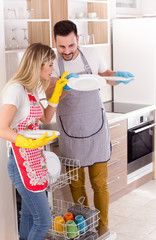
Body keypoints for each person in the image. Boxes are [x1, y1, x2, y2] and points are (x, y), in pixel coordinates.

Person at [45, 20, 134, 237]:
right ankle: (85, 226)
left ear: (77, 39)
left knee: (99, 183)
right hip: (70, 128)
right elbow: (50, 96)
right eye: (62, 47)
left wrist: (117, 78)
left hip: (95, 126)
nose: (67, 51)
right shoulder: (52, 63)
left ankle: (102, 226)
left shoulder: (92, 55)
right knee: (76, 184)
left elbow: (105, 76)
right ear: (55, 42)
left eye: (71, 46)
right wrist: (63, 87)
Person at [0, 43, 69, 240]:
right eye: (49, 65)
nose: (52, 69)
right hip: (20, 162)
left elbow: (46, 118)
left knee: (30, 216)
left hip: (34, 159)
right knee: (44, 221)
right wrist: (26, 141)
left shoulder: (30, 89)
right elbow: (2, 128)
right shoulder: (16, 89)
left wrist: (56, 95)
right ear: (37, 65)